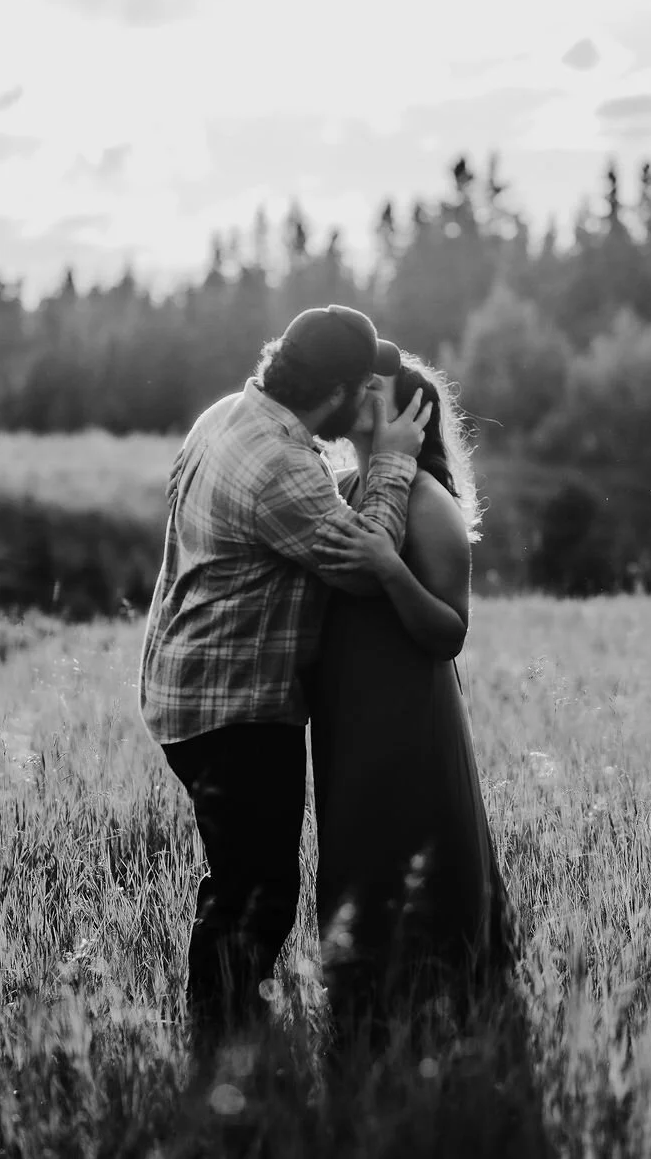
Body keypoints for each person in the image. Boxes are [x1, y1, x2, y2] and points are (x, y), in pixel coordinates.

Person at [138, 305, 431, 1057]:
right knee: (256, 890)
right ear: (333, 394)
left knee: (241, 876)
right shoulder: (279, 464)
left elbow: (300, 507)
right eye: (361, 388)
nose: (368, 400)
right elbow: (367, 563)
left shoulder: (230, 415)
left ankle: (224, 1032)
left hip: (188, 688)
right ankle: (224, 1046)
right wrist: (394, 460)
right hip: (231, 708)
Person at [307, 355, 518, 1039]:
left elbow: (450, 630)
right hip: (348, 706)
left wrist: (390, 570)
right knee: (357, 843)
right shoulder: (342, 487)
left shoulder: (429, 502)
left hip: (408, 707)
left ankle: (442, 1001)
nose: (357, 388)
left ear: (412, 413)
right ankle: (362, 1002)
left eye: (375, 386)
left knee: (413, 837)